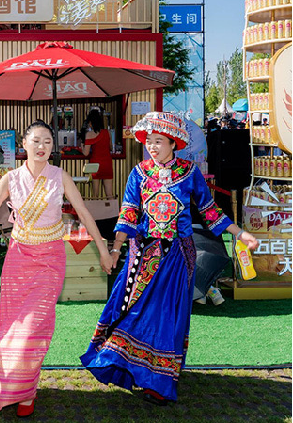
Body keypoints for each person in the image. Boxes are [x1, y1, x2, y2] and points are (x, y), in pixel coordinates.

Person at [80, 111, 258, 406]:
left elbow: (210, 211)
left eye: (158, 141)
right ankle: (128, 365)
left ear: (174, 143)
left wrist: (240, 234)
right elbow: (128, 213)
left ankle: (159, 382)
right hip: (142, 253)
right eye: (149, 141)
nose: (152, 146)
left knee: (167, 316)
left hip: (178, 255)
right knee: (133, 310)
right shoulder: (138, 173)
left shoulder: (190, 172)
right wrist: (115, 249)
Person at [0, 120, 113, 417]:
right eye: (36, 141)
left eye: (47, 141)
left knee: (34, 328)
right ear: (24, 144)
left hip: (50, 260)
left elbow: (84, 214)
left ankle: (25, 389)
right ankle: (22, 390)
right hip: (18, 259)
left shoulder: (60, 176)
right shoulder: (10, 179)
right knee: (12, 329)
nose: (42, 146)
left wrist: (103, 251)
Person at [80, 108, 115, 199]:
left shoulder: (89, 134)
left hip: (95, 165)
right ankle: (113, 208)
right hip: (107, 164)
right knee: (109, 194)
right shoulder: (107, 132)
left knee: (95, 195)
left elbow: (86, 153)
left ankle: (96, 209)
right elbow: (111, 148)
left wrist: (82, 146)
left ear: (91, 122)